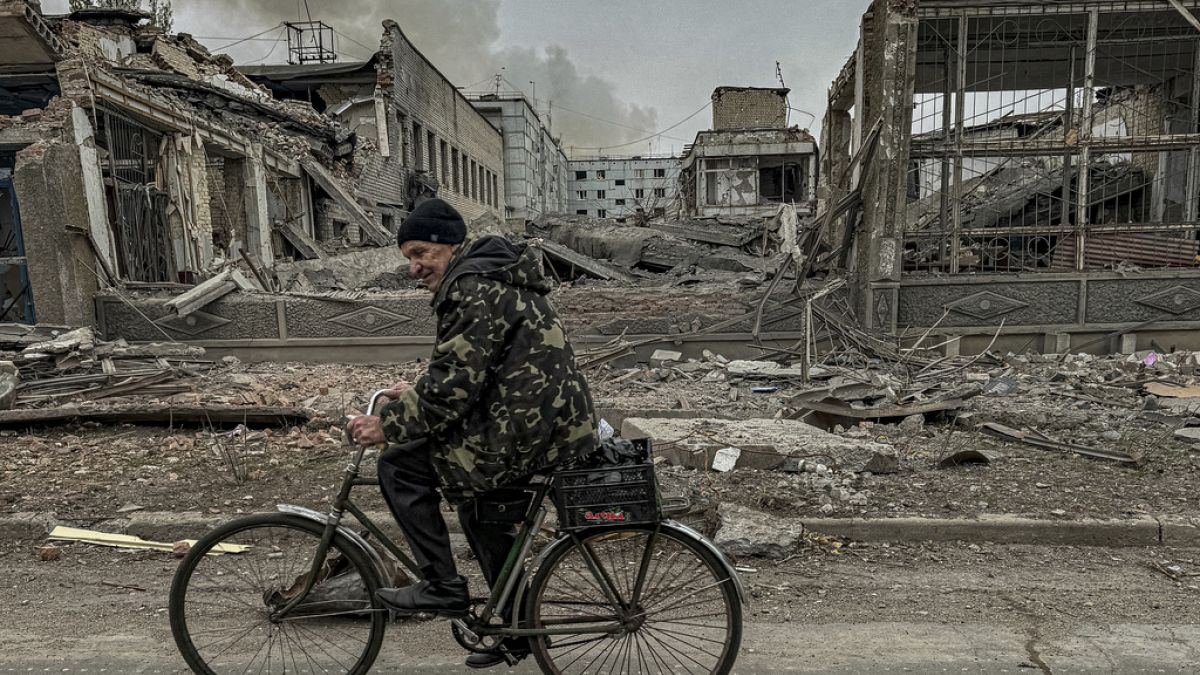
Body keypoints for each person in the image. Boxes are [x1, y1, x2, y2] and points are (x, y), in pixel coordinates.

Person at [345, 198, 598, 669]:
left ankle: (442, 586)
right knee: (479, 507)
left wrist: (389, 425)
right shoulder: (490, 276)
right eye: (408, 258)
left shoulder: (472, 285)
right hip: (544, 421)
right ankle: (518, 629)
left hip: (526, 427)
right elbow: (474, 367)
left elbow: (456, 384)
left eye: (421, 253)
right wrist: (417, 390)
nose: (414, 267)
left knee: (400, 466)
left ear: (450, 245)